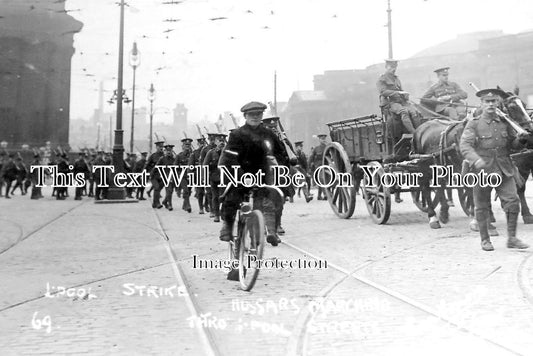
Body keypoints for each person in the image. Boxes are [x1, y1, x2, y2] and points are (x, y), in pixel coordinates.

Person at [460, 88, 530, 251]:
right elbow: (465, 145)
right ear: (482, 104)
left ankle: (512, 238)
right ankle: (485, 239)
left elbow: (511, 144)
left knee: (512, 202)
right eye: (487, 101)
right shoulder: (474, 123)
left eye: (493, 101)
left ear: (498, 103)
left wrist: (520, 141)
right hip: (482, 171)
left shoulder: (504, 122)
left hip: (504, 168)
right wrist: (476, 160)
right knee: (482, 206)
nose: (491, 104)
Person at [219, 101, 286, 246]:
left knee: (269, 198)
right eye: (251, 114)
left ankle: (271, 232)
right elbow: (229, 156)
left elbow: (280, 152)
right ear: (245, 116)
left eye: (258, 114)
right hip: (240, 171)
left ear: (262, 115)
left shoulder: (268, 134)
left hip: (262, 172)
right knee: (232, 196)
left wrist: (280, 164)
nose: (255, 117)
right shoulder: (237, 134)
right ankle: (227, 227)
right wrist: (240, 174)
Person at [377, 59, 420, 137]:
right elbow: (383, 92)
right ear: (386, 67)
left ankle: (419, 131)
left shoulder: (396, 79)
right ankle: (414, 133)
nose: (394, 69)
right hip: (390, 103)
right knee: (404, 112)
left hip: (401, 101)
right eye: (391, 67)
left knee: (414, 111)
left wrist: (405, 94)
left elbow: (400, 90)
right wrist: (397, 93)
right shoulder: (382, 79)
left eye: (395, 67)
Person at [203, 134, 226, 222]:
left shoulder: (228, 152)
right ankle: (216, 214)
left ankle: (223, 213)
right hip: (214, 178)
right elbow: (205, 165)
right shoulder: (211, 152)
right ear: (215, 142)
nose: (221, 143)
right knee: (215, 197)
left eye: (223, 141)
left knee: (225, 196)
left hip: (227, 178)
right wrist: (204, 178)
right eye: (219, 141)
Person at [189, 137, 208, 214]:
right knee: (200, 192)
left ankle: (206, 204)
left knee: (209, 192)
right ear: (198, 144)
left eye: (203, 143)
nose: (202, 145)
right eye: (200, 144)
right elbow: (191, 165)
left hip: (207, 174)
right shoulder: (195, 153)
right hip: (198, 175)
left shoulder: (208, 151)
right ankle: (201, 208)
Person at [174, 138, 193, 213]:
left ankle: (184, 204)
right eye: (186, 145)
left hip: (191, 176)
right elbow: (175, 167)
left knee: (189, 191)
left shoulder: (193, 155)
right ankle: (188, 205)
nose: (187, 146)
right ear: (183, 146)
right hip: (182, 176)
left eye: (189, 145)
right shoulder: (179, 156)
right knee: (185, 191)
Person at [156, 144, 177, 211]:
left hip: (172, 177)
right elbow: (156, 167)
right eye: (167, 151)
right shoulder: (162, 159)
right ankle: (170, 205)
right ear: (165, 151)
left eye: (170, 151)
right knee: (169, 190)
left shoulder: (174, 159)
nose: (168, 152)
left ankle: (165, 201)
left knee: (170, 191)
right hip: (164, 177)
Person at [145, 141, 165, 208]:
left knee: (158, 189)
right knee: (156, 188)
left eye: (162, 147)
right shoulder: (153, 156)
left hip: (162, 176)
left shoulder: (165, 156)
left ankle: (154, 203)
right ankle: (157, 203)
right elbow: (147, 165)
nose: (161, 148)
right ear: (156, 147)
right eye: (160, 147)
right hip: (154, 175)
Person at [308, 134, 328, 200]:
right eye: (322, 139)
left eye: (324, 139)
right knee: (322, 180)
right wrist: (309, 167)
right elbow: (311, 158)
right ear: (319, 140)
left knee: (323, 181)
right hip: (318, 167)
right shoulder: (316, 148)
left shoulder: (328, 147)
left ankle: (319, 196)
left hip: (326, 166)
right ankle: (325, 194)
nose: (323, 140)